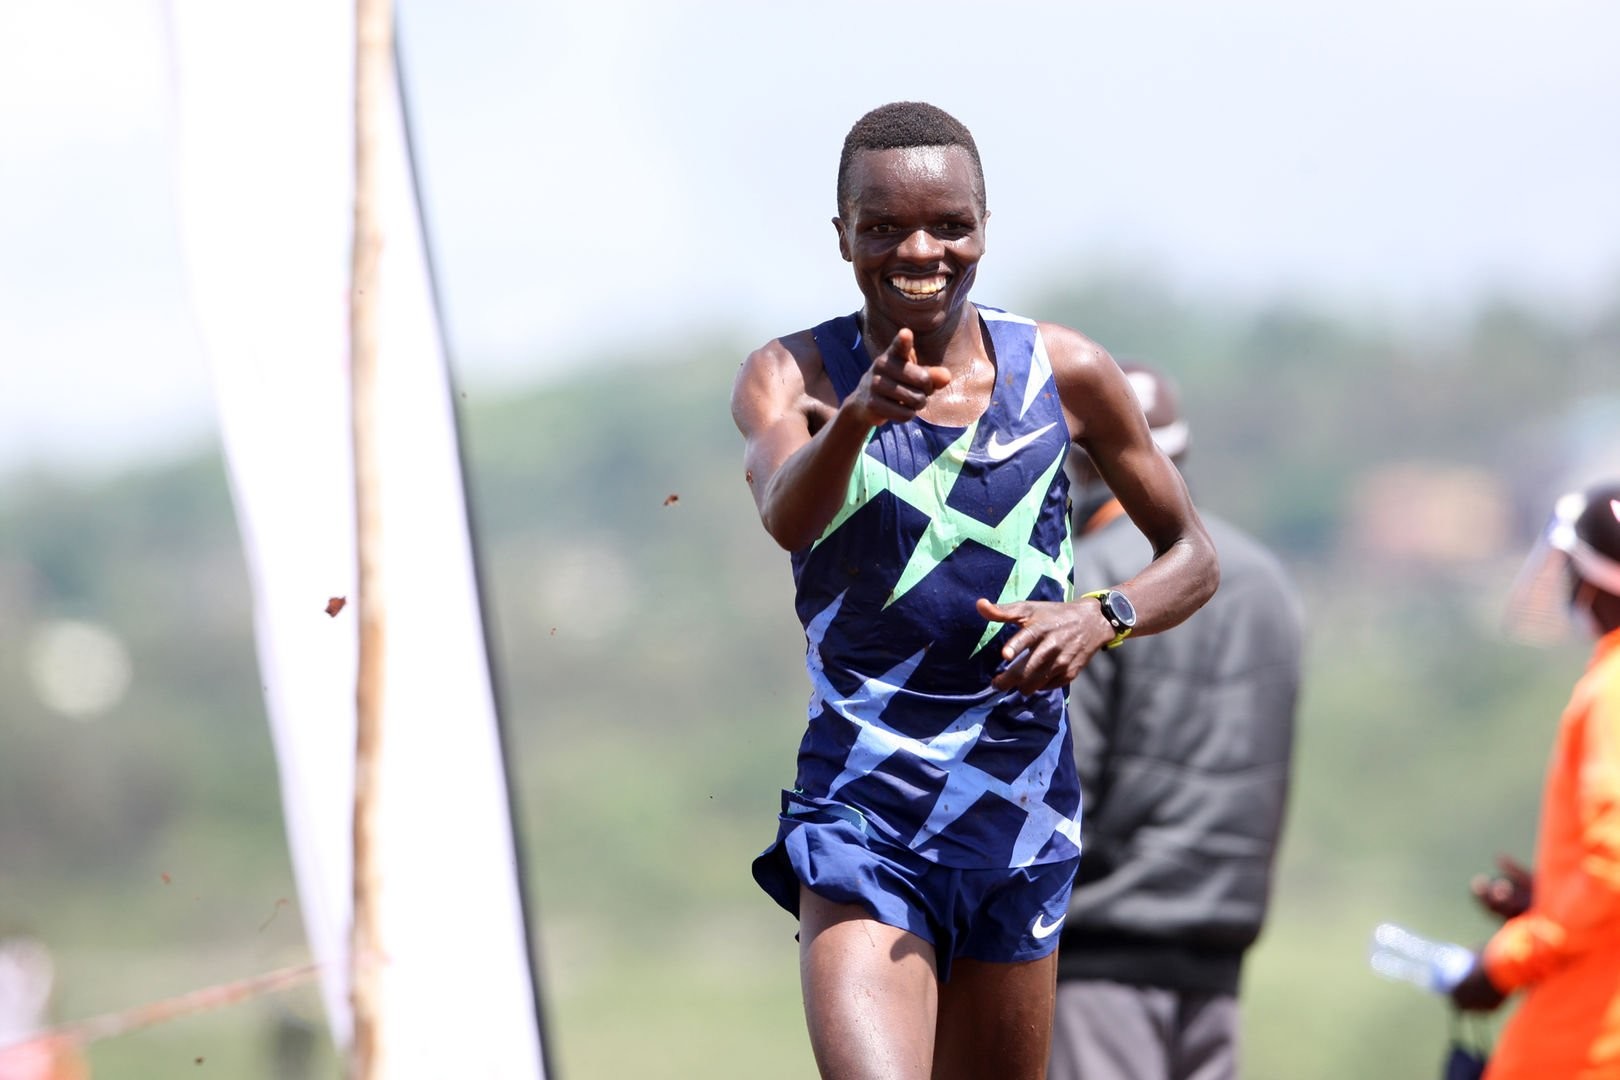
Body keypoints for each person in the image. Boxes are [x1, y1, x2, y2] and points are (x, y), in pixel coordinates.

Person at [729, 101, 1219, 1079]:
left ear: (985, 229)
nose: (920, 252)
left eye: (949, 226)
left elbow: (1193, 557)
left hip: (1018, 815)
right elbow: (786, 512)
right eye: (884, 227)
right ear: (843, 236)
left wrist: (1101, 617)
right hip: (864, 810)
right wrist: (857, 419)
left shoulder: (1065, 371)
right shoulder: (794, 373)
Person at [1045, 361, 1303, 1080]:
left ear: (1085, 462)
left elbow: (1067, 781)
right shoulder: (1267, 580)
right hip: (1223, 938)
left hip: (1105, 943)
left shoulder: (1089, 582)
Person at [1447, 479, 1620, 1079]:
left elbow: (1613, 867)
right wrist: (1551, 898)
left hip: (1590, 1041)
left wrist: (1505, 961)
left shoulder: (1611, 691)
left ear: (1591, 582)